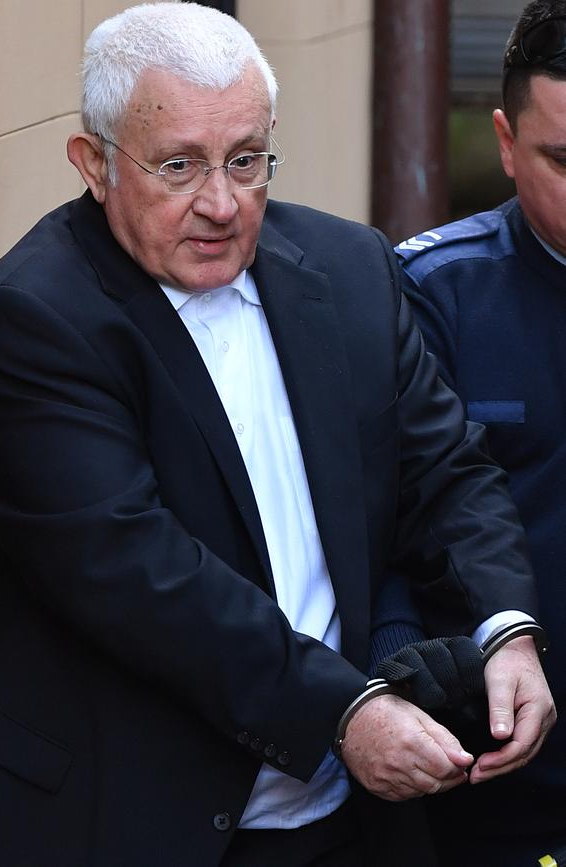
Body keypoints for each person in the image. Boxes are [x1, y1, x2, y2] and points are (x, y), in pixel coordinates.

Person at [0, 4, 554, 866]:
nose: (221, 203)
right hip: (106, 818)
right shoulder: (33, 321)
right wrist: (346, 709)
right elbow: (140, 577)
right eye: (179, 165)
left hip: (339, 819)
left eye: (247, 160)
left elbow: (445, 471)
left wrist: (505, 626)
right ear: (94, 164)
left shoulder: (352, 270)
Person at [396, 3, 566, 864]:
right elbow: (384, 527)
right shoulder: (432, 293)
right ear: (504, 141)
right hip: (493, 789)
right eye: (565, 161)